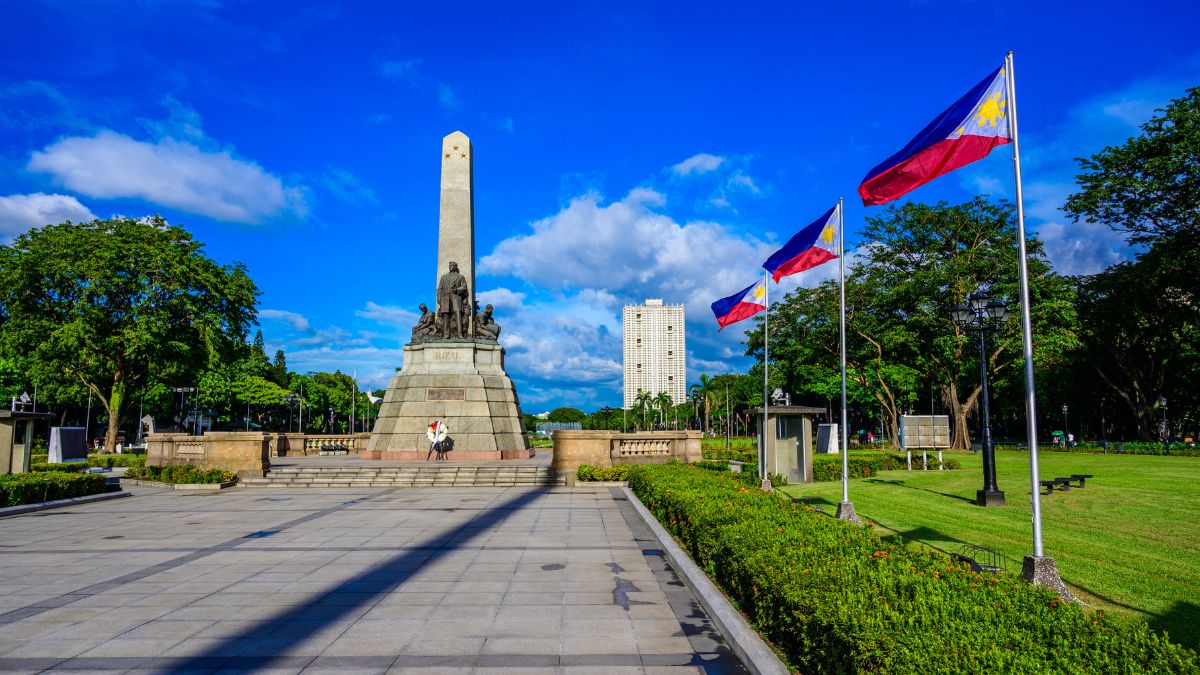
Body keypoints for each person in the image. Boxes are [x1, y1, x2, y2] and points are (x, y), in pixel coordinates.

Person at [435, 262, 469, 339]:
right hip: (445, 298)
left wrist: (457, 289)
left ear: (455, 267)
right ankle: (446, 334)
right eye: (449, 265)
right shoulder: (444, 277)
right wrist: (439, 298)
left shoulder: (460, 277)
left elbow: (464, 287)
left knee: (458, 314)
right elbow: (440, 288)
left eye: (452, 265)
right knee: (446, 315)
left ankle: (460, 334)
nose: (450, 267)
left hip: (456, 297)